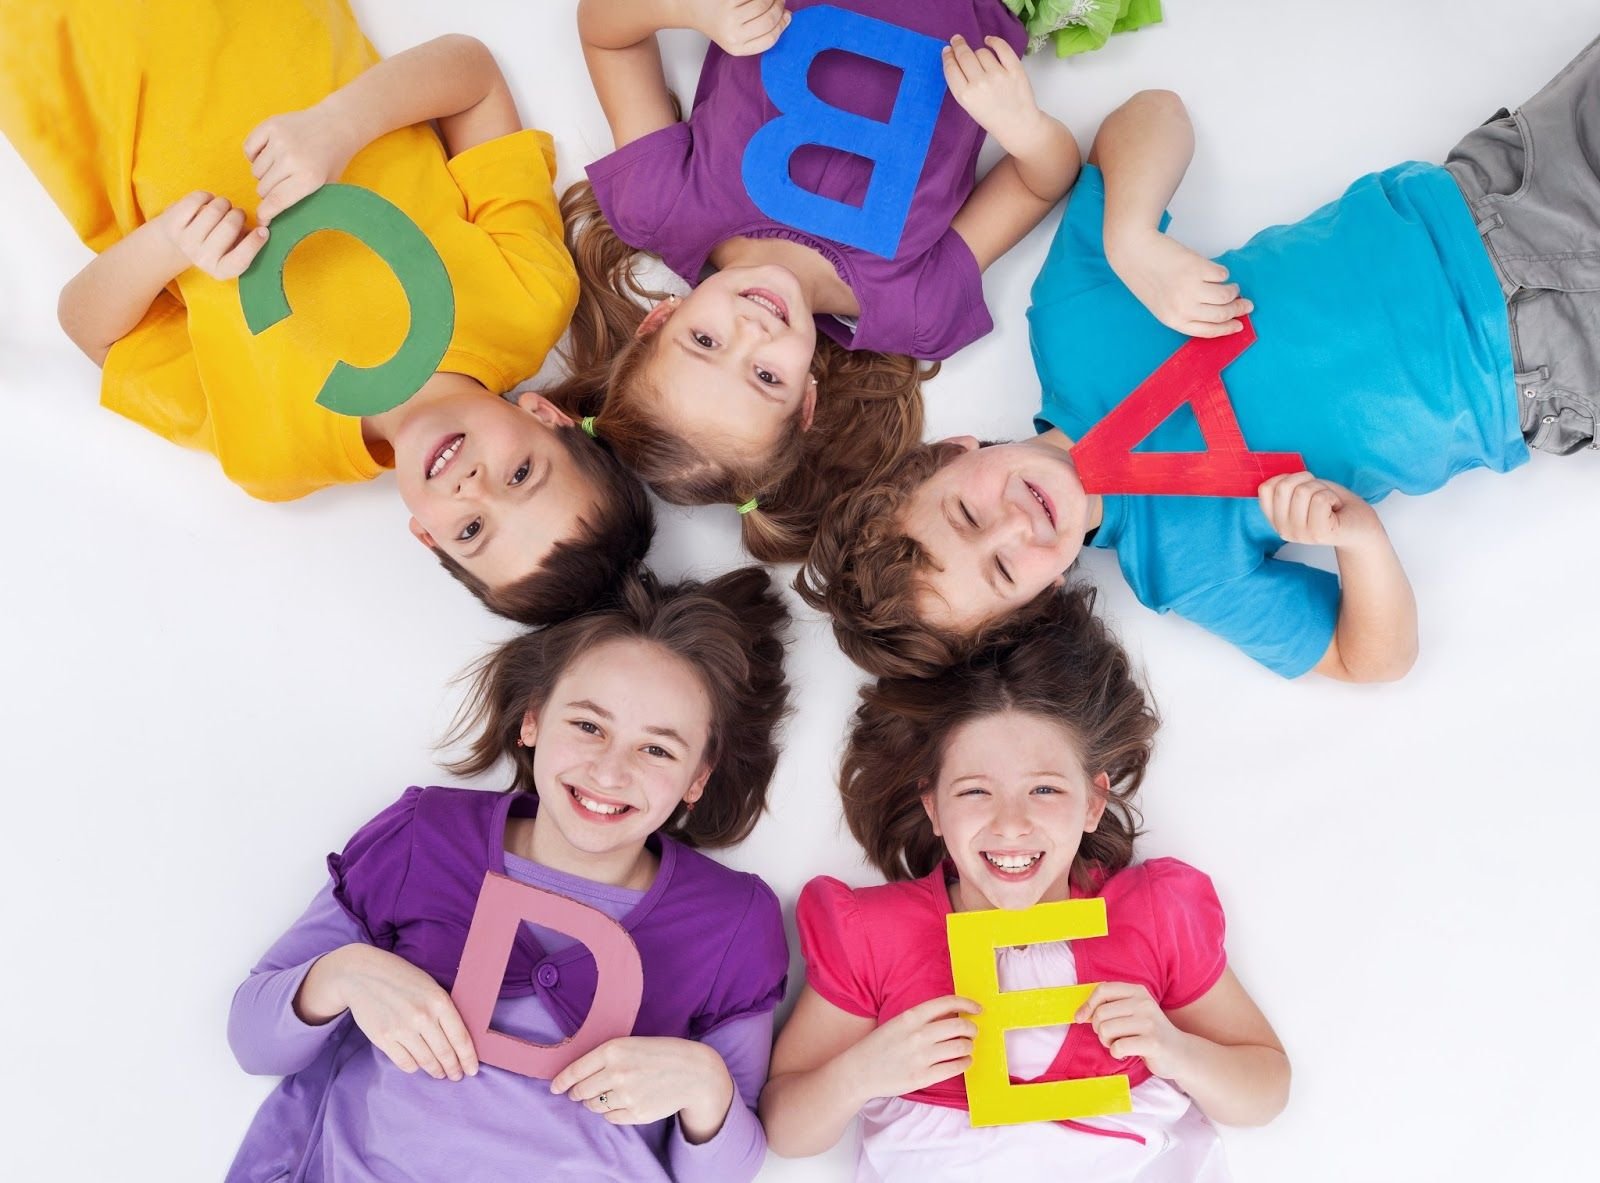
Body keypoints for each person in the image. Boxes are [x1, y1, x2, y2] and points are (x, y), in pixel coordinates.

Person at [802, 40, 1600, 680]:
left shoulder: (1070, 322)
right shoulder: (1185, 573)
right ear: (1039, 599)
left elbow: (1151, 114)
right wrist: (1360, 542)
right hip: (1549, 373)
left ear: (953, 451)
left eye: (968, 515)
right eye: (1004, 571)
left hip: (1498, 196)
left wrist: (1131, 235)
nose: (1014, 524)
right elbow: (1370, 659)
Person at [0, 0, 653, 624]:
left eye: (473, 529)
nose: (474, 486)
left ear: (426, 536)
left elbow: (90, 329)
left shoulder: (274, 456)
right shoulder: (529, 298)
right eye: (521, 474)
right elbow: (474, 80)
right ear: (546, 417)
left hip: (58, 43)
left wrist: (166, 245)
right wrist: (342, 123)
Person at [225, 566, 793, 1182]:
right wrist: (344, 976)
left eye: (657, 749)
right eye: (588, 726)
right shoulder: (424, 835)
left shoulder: (732, 921)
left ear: (698, 779)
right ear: (532, 721)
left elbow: (724, 1174)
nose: (609, 772)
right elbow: (253, 1040)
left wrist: (706, 1086)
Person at [760, 588, 1289, 1180]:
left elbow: (1265, 1092)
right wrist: (861, 1073)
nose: (1011, 824)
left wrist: (1176, 1049)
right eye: (974, 791)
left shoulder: (1154, 916)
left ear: (1092, 803)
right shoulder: (873, 936)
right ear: (933, 807)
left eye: (1044, 789)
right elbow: (784, 1130)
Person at [557, 0, 1081, 560]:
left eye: (705, 342)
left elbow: (607, 33)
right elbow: (1040, 183)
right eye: (765, 376)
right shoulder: (913, 304)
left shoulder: (660, 205)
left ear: (660, 318)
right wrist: (1025, 129)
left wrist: (692, 10)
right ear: (806, 400)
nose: (751, 331)